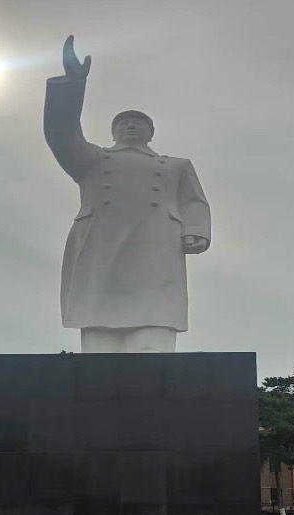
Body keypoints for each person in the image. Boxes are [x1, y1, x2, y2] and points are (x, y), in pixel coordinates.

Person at [44, 36, 211, 354]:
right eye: (124, 123)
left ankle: (153, 349)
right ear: (113, 131)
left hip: (157, 239)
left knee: (155, 324)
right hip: (102, 240)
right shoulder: (91, 159)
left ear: (151, 132)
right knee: (99, 332)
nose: (131, 127)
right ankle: (99, 355)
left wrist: (196, 230)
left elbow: (194, 200)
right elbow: (60, 133)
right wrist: (72, 86)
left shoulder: (175, 165)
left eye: (139, 123)